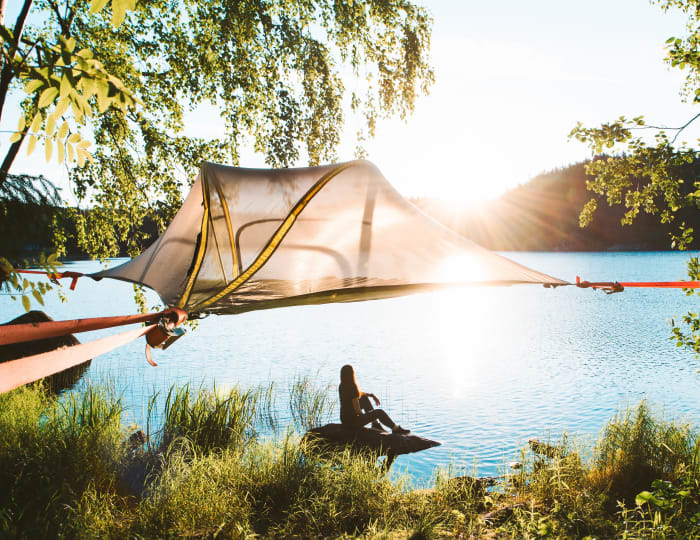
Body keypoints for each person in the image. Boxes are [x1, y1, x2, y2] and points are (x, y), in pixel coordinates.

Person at [338, 364, 410, 434]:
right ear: (351, 374)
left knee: (364, 398)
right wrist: (366, 417)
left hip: (344, 420)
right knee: (379, 412)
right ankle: (395, 429)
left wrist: (371, 395)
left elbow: (359, 394)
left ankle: (375, 425)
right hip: (353, 422)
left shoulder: (341, 386)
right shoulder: (352, 386)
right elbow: (357, 409)